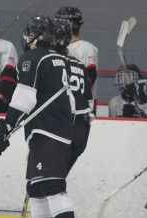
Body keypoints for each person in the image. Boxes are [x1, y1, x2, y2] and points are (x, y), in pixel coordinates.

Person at [0, 16, 76, 218]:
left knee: (53, 187)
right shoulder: (61, 60)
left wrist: (5, 126)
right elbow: (71, 104)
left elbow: (24, 98)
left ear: (36, 36)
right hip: (57, 133)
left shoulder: (33, 57)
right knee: (36, 190)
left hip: (47, 133)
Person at [52, 17, 92, 172]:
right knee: (57, 180)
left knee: (48, 185)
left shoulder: (51, 61)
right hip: (81, 129)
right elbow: (89, 101)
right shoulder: (79, 64)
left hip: (61, 129)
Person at [55, 6, 98, 112]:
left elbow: (90, 79)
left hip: (81, 109)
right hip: (62, 107)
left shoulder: (86, 48)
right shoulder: (57, 47)